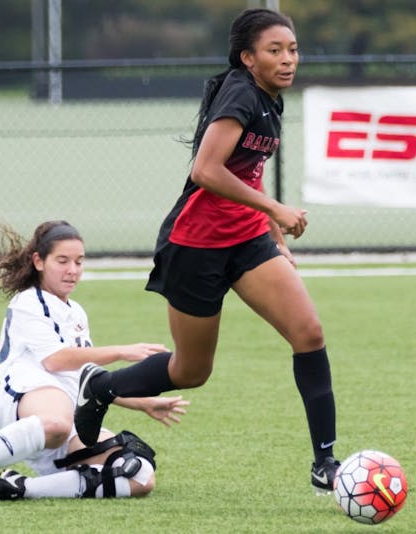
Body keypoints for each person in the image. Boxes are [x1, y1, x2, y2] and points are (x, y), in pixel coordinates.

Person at [73, 8, 340, 496]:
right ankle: (101, 388)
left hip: (247, 242)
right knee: (190, 372)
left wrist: (274, 238)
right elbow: (207, 170)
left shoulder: (270, 100)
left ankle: (325, 462)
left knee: (309, 332)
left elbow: (249, 173)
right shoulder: (240, 92)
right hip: (195, 247)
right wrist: (277, 210)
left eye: (293, 49)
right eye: (274, 51)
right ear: (247, 57)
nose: (288, 60)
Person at [0, 220, 188, 500]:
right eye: (62, 261)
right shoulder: (28, 302)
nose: (73, 270)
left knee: (140, 475)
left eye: (79, 262)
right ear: (39, 261)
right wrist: (121, 351)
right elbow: (56, 361)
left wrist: (143, 403)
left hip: (67, 411)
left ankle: (18, 488)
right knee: (57, 422)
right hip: (25, 400)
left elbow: (86, 380)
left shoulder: (76, 312)